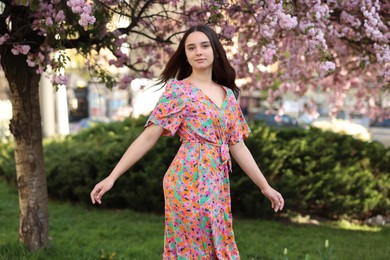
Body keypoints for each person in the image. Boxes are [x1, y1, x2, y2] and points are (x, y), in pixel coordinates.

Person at [90, 24, 284, 259]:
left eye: (204, 45)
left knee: (217, 246)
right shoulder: (179, 90)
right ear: (186, 54)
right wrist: (112, 177)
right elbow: (148, 137)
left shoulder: (228, 95)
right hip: (186, 181)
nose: (198, 52)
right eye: (191, 48)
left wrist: (265, 187)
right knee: (192, 250)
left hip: (217, 184)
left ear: (215, 50)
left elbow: (237, 145)